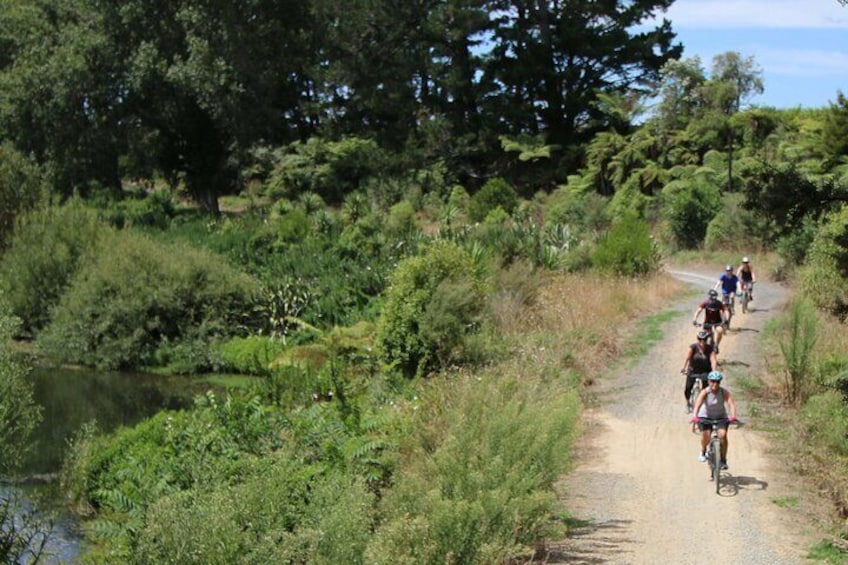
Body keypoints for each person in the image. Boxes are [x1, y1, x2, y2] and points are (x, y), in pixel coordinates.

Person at [691, 371, 738, 469]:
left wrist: (733, 416)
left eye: (717, 382)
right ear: (708, 381)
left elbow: (731, 404)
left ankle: (723, 460)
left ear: (720, 382)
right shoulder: (705, 392)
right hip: (706, 416)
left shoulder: (723, 392)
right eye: (712, 381)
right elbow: (698, 404)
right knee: (706, 435)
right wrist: (695, 416)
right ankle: (703, 451)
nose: (715, 384)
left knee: (723, 435)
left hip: (720, 417)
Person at [680, 330, 717, 413]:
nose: (702, 342)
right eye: (700, 339)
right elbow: (687, 358)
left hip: (705, 371)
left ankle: (705, 405)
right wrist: (684, 367)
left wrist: (714, 372)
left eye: (704, 340)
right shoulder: (693, 347)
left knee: (706, 390)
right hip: (693, 370)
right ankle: (688, 403)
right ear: (697, 339)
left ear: (707, 340)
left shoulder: (710, 349)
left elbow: (713, 360)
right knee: (688, 388)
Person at [692, 289, 729, 353]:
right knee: (703, 337)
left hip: (718, 322)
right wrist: (694, 319)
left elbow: (726, 310)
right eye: (712, 298)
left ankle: (716, 345)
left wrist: (727, 319)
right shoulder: (705, 303)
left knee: (720, 331)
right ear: (709, 297)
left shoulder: (719, 303)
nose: (713, 300)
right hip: (707, 322)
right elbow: (698, 311)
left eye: (715, 298)